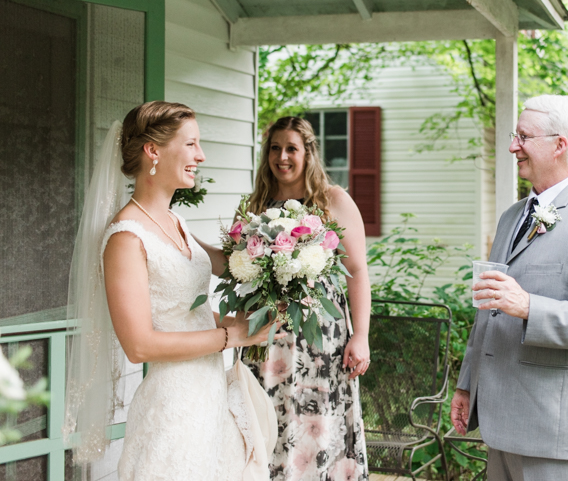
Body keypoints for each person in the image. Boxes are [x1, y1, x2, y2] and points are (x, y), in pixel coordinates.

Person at [64, 101, 277, 480]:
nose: (202, 155)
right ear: (153, 151)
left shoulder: (174, 218)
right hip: (173, 405)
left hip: (209, 393)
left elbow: (189, 306)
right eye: (192, 143)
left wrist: (294, 252)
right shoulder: (126, 238)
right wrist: (234, 334)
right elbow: (140, 345)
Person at [450, 95, 568, 481]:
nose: (513, 145)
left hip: (554, 432)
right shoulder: (511, 217)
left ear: (559, 145)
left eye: (524, 136)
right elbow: (489, 309)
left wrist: (530, 306)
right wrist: (467, 385)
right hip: (499, 427)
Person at [245, 116, 372, 481]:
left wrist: (360, 335)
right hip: (266, 334)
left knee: (317, 424)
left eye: (291, 149)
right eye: (274, 148)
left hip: (321, 334)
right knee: (269, 419)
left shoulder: (333, 199)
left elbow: (358, 271)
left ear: (308, 153)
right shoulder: (258, 204)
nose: (281, 157)